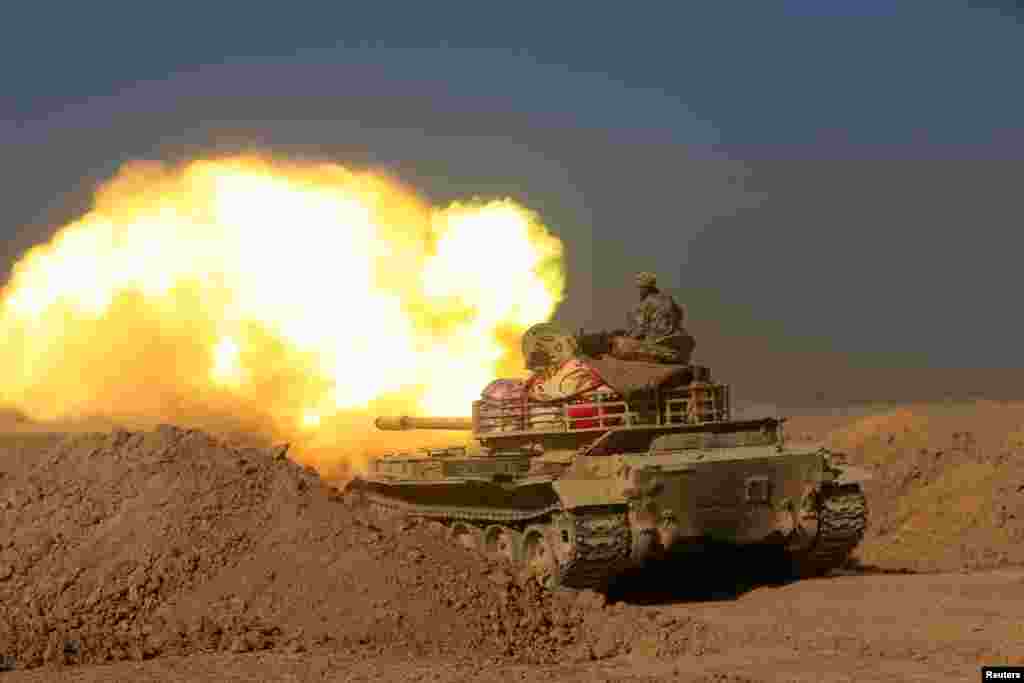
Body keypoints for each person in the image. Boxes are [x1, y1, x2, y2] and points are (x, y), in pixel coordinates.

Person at [611, 272, 695, 364]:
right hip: (678, 343)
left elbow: (639, 330)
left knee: (620, 343)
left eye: (640, 288)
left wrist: (627, 337)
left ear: (644, 288)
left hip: (658, 342)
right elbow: (680, 314)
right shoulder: (669, 299)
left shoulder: (645, 304)